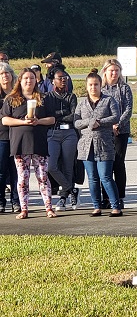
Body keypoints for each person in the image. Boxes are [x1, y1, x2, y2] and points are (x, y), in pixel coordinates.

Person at [1, 68, 56, 219]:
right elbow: (5, 120)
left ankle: (49, 208)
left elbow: (52, 119)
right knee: (22, 178)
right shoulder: (11, 99)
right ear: (20, 80)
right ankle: (24, 208)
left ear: (35, 81)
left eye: (32, 78)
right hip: (20, 144)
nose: (29, 81)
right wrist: (22, 122)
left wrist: (38, 121)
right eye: (26, 78)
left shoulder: (43, 98)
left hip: (39, 144)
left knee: (43, 177)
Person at [75, 70, 122, 217]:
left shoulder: (108, 100)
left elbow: (116, 116)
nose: (93, 87)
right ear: (86, 86)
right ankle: (96, 206)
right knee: (92, 178)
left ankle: (116, 206)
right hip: (86, 145)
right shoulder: (81, 104)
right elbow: (76, 122)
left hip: (104, 144)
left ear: (101, 85)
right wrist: (89, 122)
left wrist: (100, 122)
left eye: (96, 84)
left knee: (105, 176)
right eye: (90, 85)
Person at [100, 59, 133, 209]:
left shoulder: (124, 88)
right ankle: (106, 197)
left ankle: (119, 196)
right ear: (105, 71)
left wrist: (118, 124)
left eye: (117, 70)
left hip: (121, 131)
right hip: (104, 132)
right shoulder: (100, 89)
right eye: (111, 70)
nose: (114, 73)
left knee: (118, 163)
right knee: (104, 164)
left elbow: (128, 109)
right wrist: (107, 124)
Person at [45, 69, 79, 211]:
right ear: (53, 80)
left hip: (69, 133)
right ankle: (71, 189)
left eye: (65, 78)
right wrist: (62, 113)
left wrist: (57, 116)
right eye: (60, 78)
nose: (63, 80)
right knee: (51, 166)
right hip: (53, 133)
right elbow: (48, 114)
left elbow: (73, 116)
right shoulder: (48, 97)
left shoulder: (71, 97)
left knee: (68, 166)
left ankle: (63, 198)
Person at [0, 62, 20, 213]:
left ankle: (16, 200)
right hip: (1, 136)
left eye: (7, 73)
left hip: (17, 136)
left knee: (16, 170)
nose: (4, 76)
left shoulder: (17, 95)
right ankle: (1, 201)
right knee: (1, 170)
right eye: (1, 74)